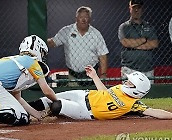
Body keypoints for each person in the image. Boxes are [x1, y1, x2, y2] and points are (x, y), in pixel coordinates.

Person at [28, 65, 172, 120]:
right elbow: (105, 93)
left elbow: (155, 112)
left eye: (130, 83)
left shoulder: (133, 104)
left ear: (137, 91)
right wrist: (95, 76)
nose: (126, 82)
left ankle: (50, 113)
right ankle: (22, 108)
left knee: (56, 106)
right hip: (83, 94)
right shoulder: (121, 88)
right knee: (46, 99)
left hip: (85, 111)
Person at [0, 35, 58, 128]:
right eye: (42, 53)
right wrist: (57, 101)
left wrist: (39, 115)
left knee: (22, 115)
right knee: (22, 117)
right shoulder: (32, 62)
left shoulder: (17, 62)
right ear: (38, 49)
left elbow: (18, 99)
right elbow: (46, 91)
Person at [47, 6, 109, 86]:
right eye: (81, 17)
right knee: (75, 96)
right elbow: (53, 42)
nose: (83, 20)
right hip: (73, 75)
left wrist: (103, 74)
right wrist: (42, 40)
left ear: (90, 19)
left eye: (86, 17)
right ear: (76, 18)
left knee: (92, 96)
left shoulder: (96, 34)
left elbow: (102, 55)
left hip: (92, 74)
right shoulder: (67, 31)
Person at [118, 0, 159, 83]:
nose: (136, 10)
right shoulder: (124, 26)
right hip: (129, 68)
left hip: (147, 69)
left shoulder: (149, 26)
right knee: (129, 94)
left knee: (149, 95)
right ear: (130, 9)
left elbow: (154, 43)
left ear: (142, 9)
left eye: (138, 8)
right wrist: (144, 40)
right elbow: (125, 43)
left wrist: (134, 45)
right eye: (134, 8)